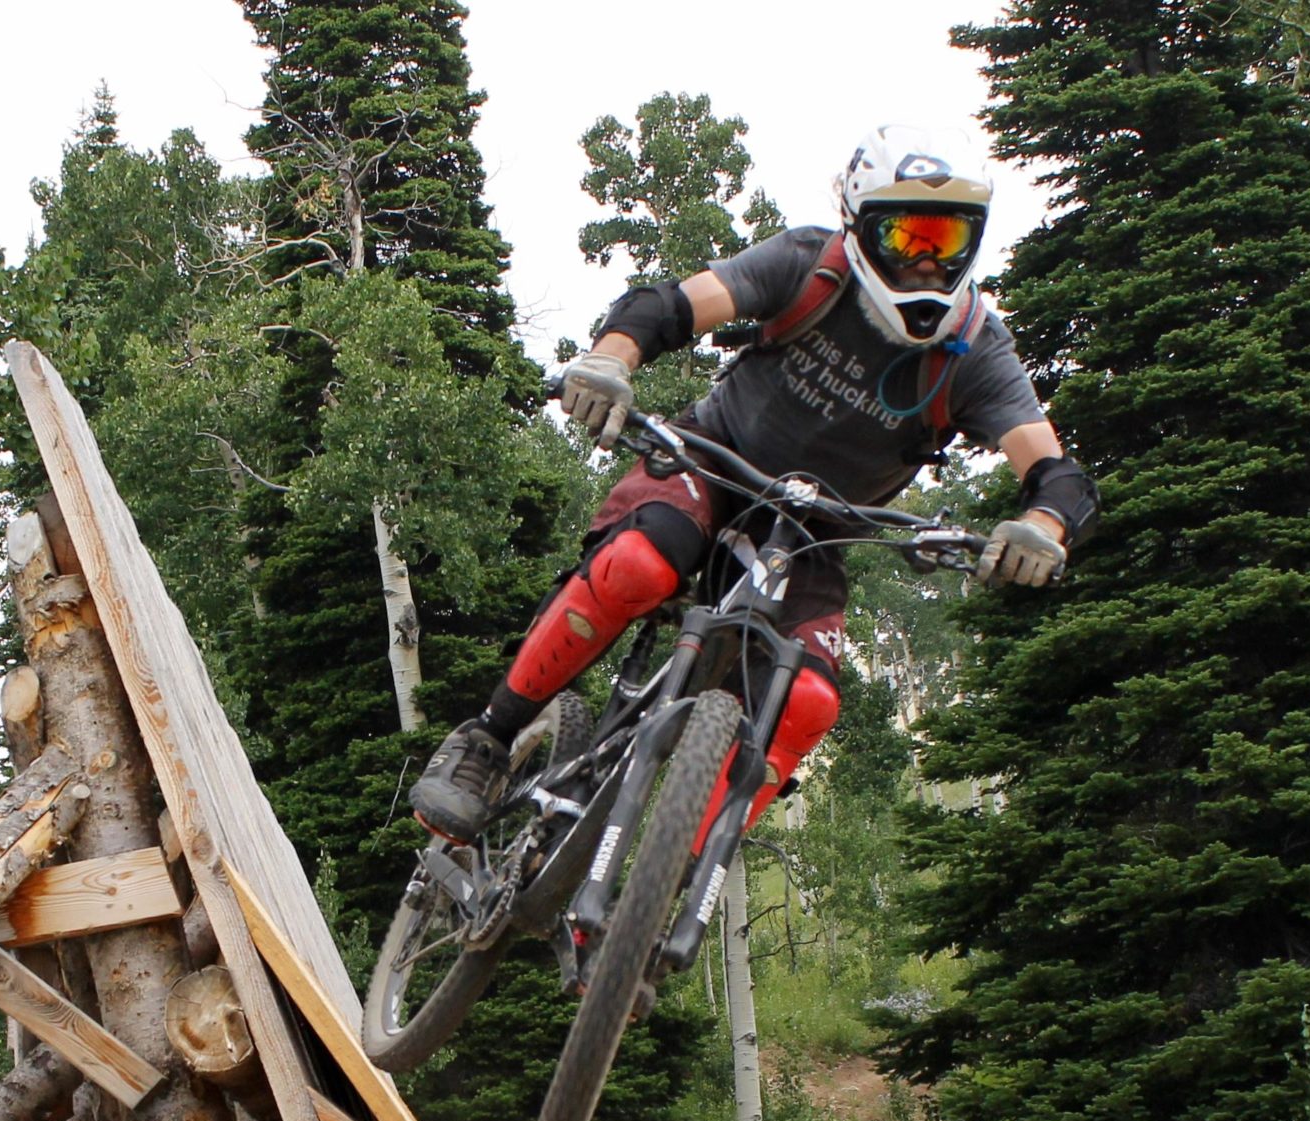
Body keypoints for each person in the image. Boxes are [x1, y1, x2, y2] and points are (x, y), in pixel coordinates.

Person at [408, 124, 1099, 843]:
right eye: (908, 238)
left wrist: (1041, 530)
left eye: (946, 242)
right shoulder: (807, 266)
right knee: (637, 564)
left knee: (808, 701)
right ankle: (488, 739)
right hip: (711, 460)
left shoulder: (977, 352)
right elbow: (671, 306)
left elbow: (1055, 476)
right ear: (860, 228)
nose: (927, 263)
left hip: (812, 532)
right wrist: (610, 361)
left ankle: (665, 893)